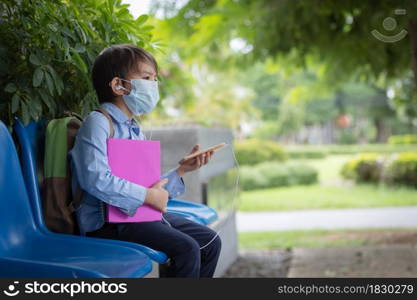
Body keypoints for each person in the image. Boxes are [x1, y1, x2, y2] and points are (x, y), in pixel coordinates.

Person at [68, 44, 221, 277]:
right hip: (108, 224)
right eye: (147, 78)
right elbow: (95, 178)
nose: (154, 85)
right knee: (187, 248)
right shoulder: (98, 122)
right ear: (119, 85)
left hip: (136, 215)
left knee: (209, 242)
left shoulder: (134, 128)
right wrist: (147, 196)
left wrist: (181, 170)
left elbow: (147, 187)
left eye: (155, 79)